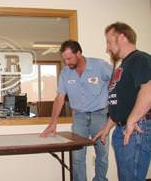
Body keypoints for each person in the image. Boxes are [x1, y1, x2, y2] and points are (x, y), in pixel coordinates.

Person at [41, 40, 112, 181]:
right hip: (79, 117)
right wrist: (52, 123)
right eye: (64, 59)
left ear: (79, 53)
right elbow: (60, 98)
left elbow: (118, 83)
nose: (67, 63)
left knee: (102, 155)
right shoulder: (66, 73)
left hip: (100, 115)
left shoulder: (100, 66)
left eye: (69, 58)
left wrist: (114, 107)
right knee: (77, 156)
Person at [93, 22, 151, 181]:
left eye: (109, 42)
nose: (107, 48)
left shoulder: (140, 59)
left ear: (122, 38)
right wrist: (106, 128)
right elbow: (121, 103)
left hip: (136, 129)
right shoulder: (124, 65)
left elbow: (149, 90)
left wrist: (132, 120)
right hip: (124, 128)